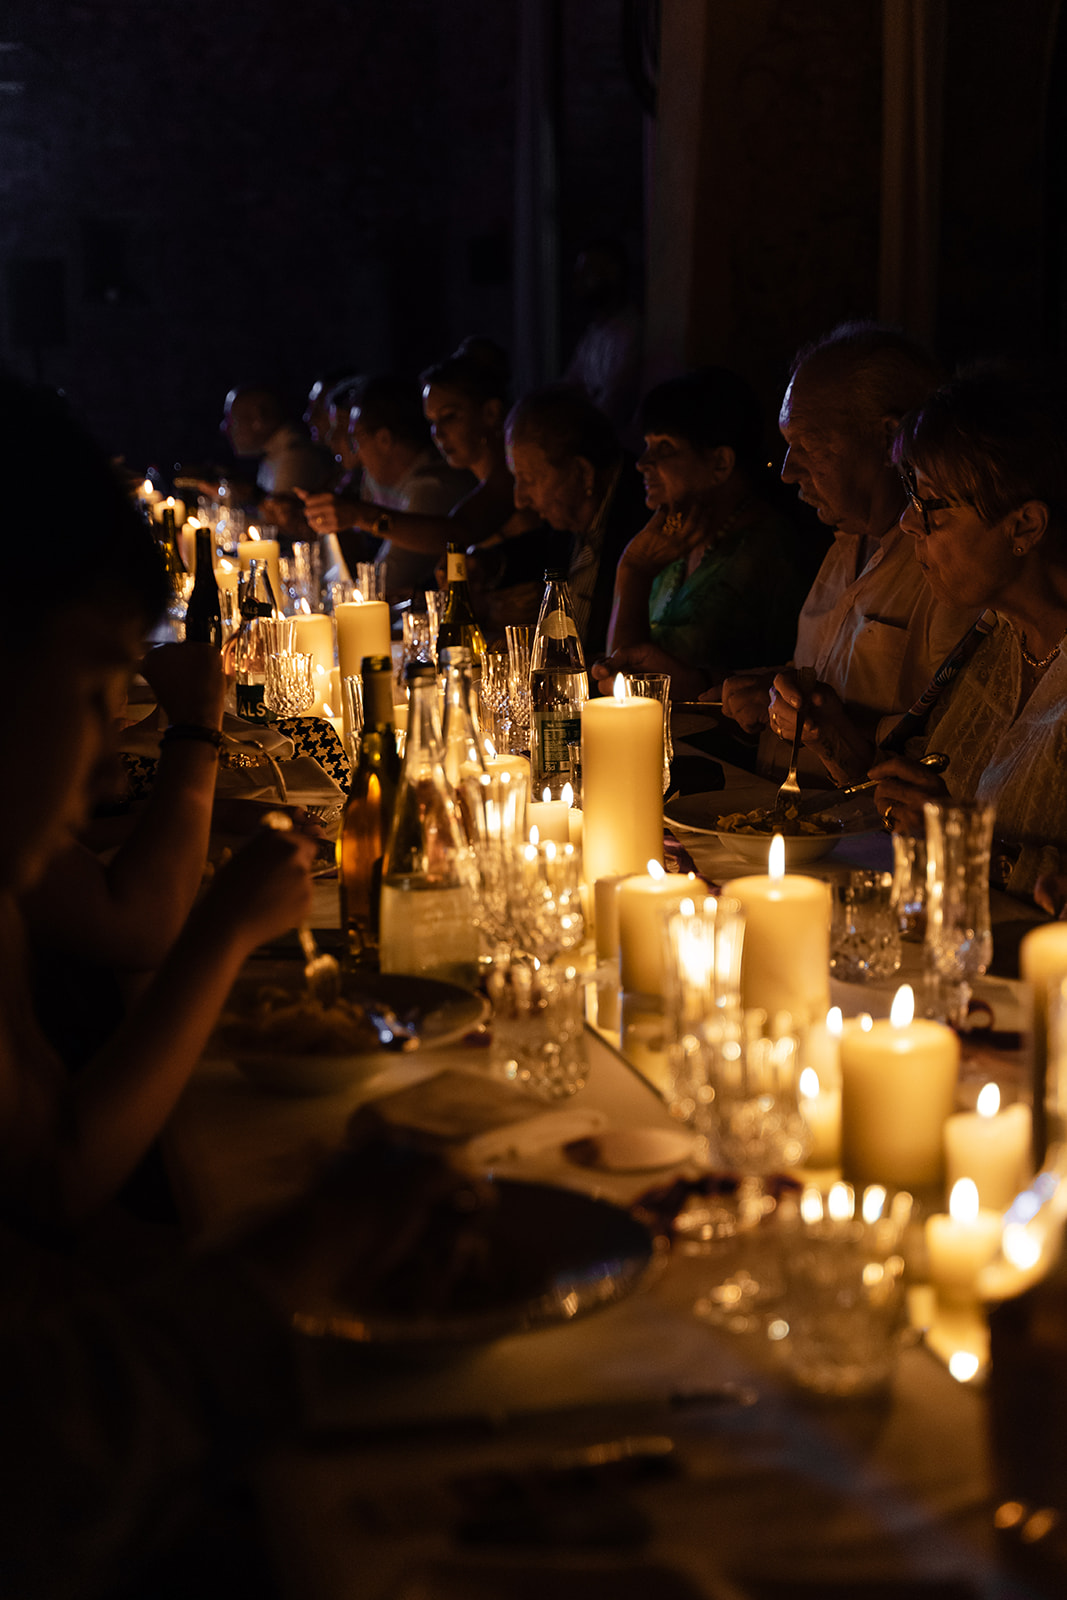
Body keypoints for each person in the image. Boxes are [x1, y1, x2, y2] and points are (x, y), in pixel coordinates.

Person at [720, 321, 978, 782]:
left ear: (889, 439)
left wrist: (827, 726)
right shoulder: (845, 544)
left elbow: (958, 751)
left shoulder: (950, 567)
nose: (786, 471)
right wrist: (740, 690)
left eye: (808, 445)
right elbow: (821, 680)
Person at [867, 365, 1067, 903]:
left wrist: (959, 838)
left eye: (931, 505)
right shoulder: (997, 638)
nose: (908, 523)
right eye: (911, 496)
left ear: (1024, 526)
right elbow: (931, 797)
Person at [590, 368, 813, 700]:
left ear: (721, 462)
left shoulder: (768, 551)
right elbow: (617, 680)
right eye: (647, 446)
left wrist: (633, 571)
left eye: (664, 447)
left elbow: (627, 689)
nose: (643, 463)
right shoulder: (675, 538)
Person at [296, 373, 472, 599]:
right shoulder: (372, 482)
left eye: (355, 439)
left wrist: (357, 516)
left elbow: (384, 583)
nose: (354, 451)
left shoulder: (433, 488)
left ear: (384, 439)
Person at [505, 385, 648, 658]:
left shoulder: (639, 519)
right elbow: (535, 546)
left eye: (529, 480)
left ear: (582, 472)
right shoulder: (568, 516)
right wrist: (486, 563)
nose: (519, 500)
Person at [564, 238, 644, 434]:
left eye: (588, 273)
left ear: (613, 273)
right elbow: (570, 384)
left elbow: (612, 406)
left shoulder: (631, 333)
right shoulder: (595, 332)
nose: (578, 282)